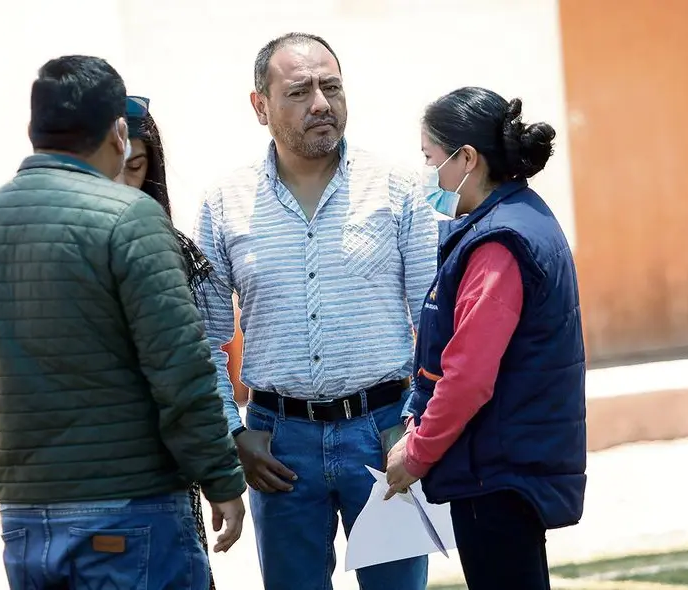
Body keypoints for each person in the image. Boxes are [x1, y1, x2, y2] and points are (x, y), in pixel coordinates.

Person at [0, 55, 246, 590]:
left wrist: (24, 481)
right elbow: (180, 369)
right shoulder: (130, 217)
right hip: (131, 512)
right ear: (119, 133)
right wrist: (221, 478)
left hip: (26, 518)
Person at [193, 32, 437, 590]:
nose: (321, 104)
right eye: (300, 91)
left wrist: (415, 423)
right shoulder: (223, 202)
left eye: (331, 87)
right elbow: (202, 340)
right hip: (277, 447)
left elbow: (435, 327)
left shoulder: (399, 189)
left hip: (385, 435)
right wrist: (234, 432)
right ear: (261, 106)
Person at [383, 87, 587, 590]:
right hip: (506, 464)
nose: (427, 174)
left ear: (466, 159)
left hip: (496, 473)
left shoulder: (498, 241)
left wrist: (416, 453)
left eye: (430, 158)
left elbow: (469, 376)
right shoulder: (520, 216)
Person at [117, 94, 218, 590]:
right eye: (111, 168)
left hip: (164, 472)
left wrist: (218, 473)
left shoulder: (171, 249)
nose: (122, 185)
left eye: (135, 168)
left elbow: (193, 367)